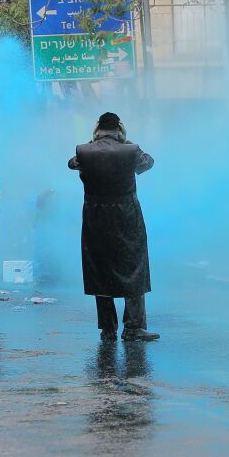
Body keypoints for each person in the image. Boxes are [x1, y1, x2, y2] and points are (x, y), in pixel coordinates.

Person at [69, 112, 159, 342]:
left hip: (95, 217)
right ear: (119, 128)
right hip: (127, 216)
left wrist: (93, 141)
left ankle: (108, 328)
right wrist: (126, 140)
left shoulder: (83, 151)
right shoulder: (131, 150)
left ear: (97, 128)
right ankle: (133, 327)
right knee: (134, 268)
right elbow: (147, 163)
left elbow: (72, 164)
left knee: (100, 269)